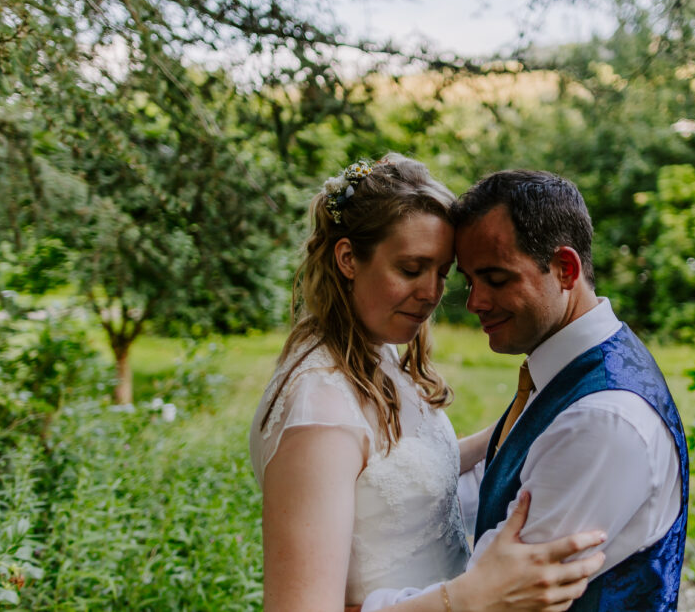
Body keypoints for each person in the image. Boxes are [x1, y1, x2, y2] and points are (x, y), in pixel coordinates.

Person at [249, 156, 606, 612]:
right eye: (411, 268)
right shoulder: (319, 413)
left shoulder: (377, 354)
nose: (432, 293)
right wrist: (472, 596)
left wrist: (528, 417)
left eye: (441, 272)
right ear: (347, 259)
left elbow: (398, 471)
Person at [362, 170, 688, 611]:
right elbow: (497, 488)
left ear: (565, 269)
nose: (475, 301)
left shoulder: (601, 421)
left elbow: (493, 597)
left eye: (496, 279)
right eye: (470, 281)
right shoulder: (567, 371)